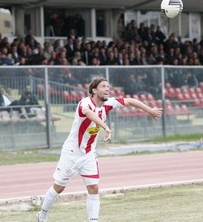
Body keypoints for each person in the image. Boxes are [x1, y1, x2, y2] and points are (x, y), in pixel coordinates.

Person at [37, 77, 163, 222]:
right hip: (71, 152)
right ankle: (42, 215)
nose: (107, 89)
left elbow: (129, 101)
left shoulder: (108, 104)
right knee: (59, 187)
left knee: (94, 188)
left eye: (108, 86)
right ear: (94, 90)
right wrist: (105, 127)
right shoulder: (85, 103)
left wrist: (149, 110)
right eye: (103, 86)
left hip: (89, 154)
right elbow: (87, 112)